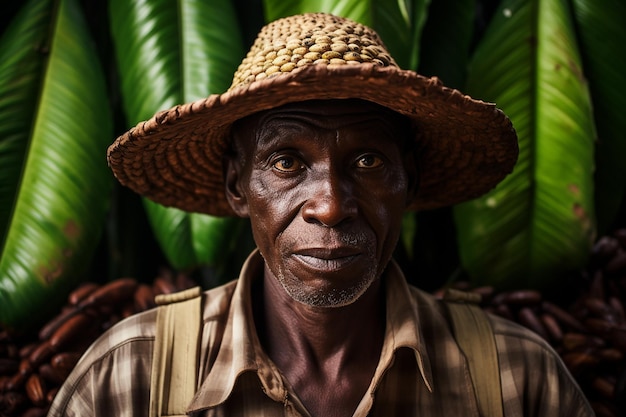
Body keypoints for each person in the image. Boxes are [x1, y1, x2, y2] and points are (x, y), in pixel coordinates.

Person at [48, 12, 594, 417]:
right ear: (237, 187)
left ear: (411, 181)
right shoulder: (127, 378)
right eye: (286, 161)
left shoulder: (519, 380)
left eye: (368, 160)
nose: (331, 205)